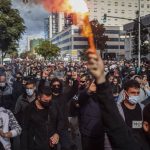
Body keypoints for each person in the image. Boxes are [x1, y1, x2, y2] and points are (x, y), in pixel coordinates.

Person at [87, 52, 149, 149]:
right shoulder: (118, 109)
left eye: (137, 93)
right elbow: (111, 130)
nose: (136, 95)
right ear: (125, 93)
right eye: (133, 93)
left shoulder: (143, 108)